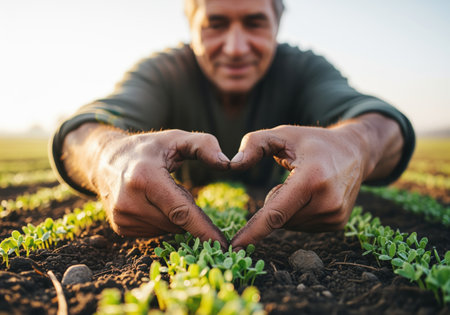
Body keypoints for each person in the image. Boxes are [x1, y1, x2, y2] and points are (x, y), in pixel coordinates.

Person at [50, 0, 415, 250]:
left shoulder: (304, 69)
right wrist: (108, 155)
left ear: (277, 24)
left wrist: (354, 145)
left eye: (255, 23)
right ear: (191, 26)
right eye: (215, 24)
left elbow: (384, 125)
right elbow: (81, 132)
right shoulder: (164, 71)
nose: (236, 47)